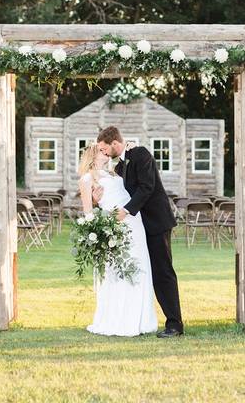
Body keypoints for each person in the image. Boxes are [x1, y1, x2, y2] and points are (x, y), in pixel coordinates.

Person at [95, 126, 185, 338]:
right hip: (140, 228)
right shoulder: (120, 167)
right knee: (151, 273)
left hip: (157, 223)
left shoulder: (141, 154)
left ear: (115, 143)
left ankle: (175, 324)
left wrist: (125, 211)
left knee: (163, 273)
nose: (104, 153)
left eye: (104, 148)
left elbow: (147, 187)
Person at [77, 143, 157, 337]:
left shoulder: (115, 173)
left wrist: (131, 148)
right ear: (93, 156)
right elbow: (88, 211)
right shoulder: (87, 178)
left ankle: (141, 321)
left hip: (134, 223)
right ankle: (119, 320)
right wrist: (99, 230)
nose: (106, 153)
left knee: (140, 267)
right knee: (119, 272)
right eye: (101, 151)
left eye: (106, 150)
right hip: (115, 227)